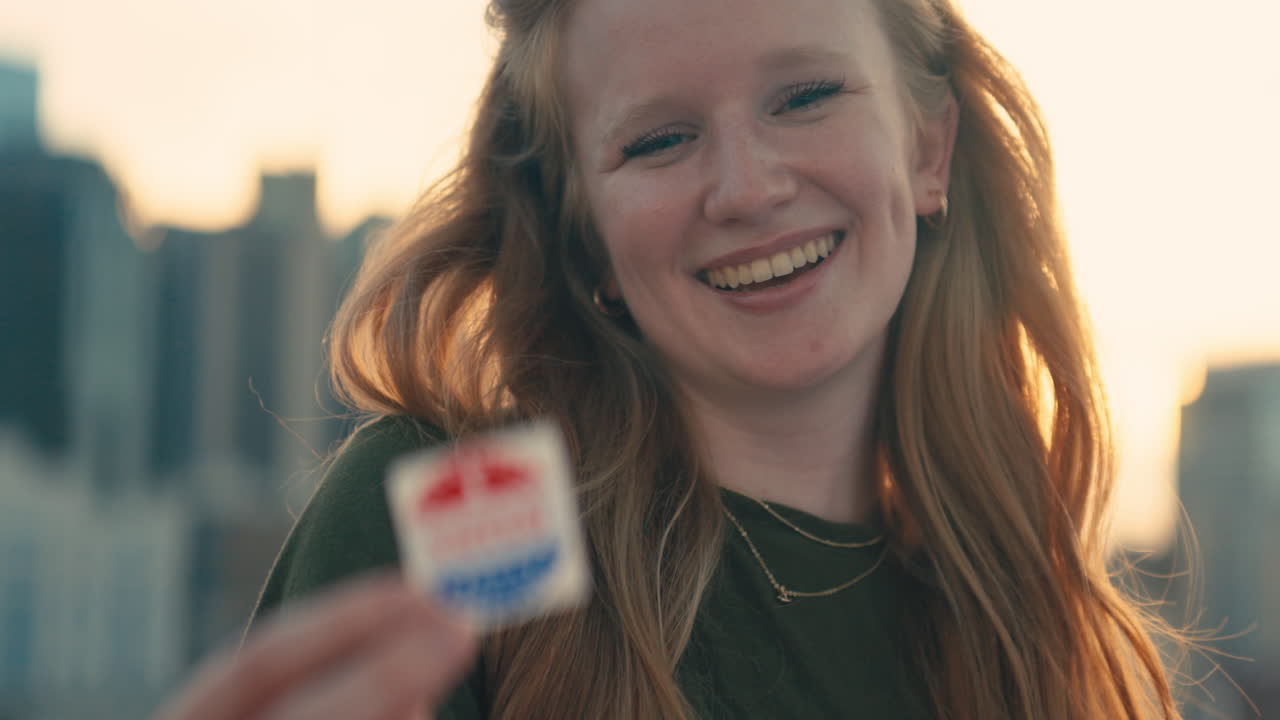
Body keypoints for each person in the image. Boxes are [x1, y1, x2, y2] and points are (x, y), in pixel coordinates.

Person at [155, 0, 1192, 717]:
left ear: (927, 152)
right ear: (582, 242)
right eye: (656, 142)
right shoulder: (478, 515)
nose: (743, 188)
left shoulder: (1008, 609)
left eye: (802, 98)